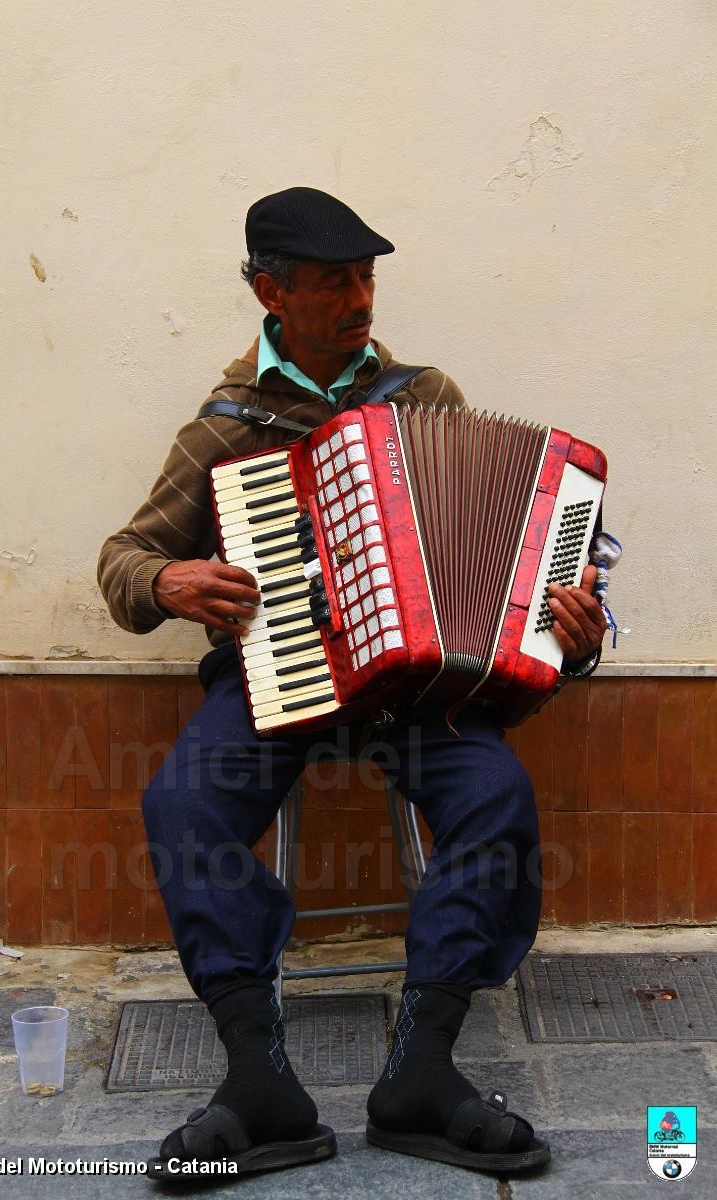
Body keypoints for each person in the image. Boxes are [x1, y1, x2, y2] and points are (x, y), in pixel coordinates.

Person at [97, 187, 607, 1181]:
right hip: (278, 677)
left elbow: (510, 561)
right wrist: (166, 581)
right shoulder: (228, 427)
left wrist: (569, 630)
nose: (359, 298)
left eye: (365, 277)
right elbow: (123, 558)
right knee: (182, 803)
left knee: (496, 797)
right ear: (270, 293)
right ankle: (258, 1080)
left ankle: (423, 1069)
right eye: (332, 281)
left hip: (420, 690)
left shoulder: (425, 397)